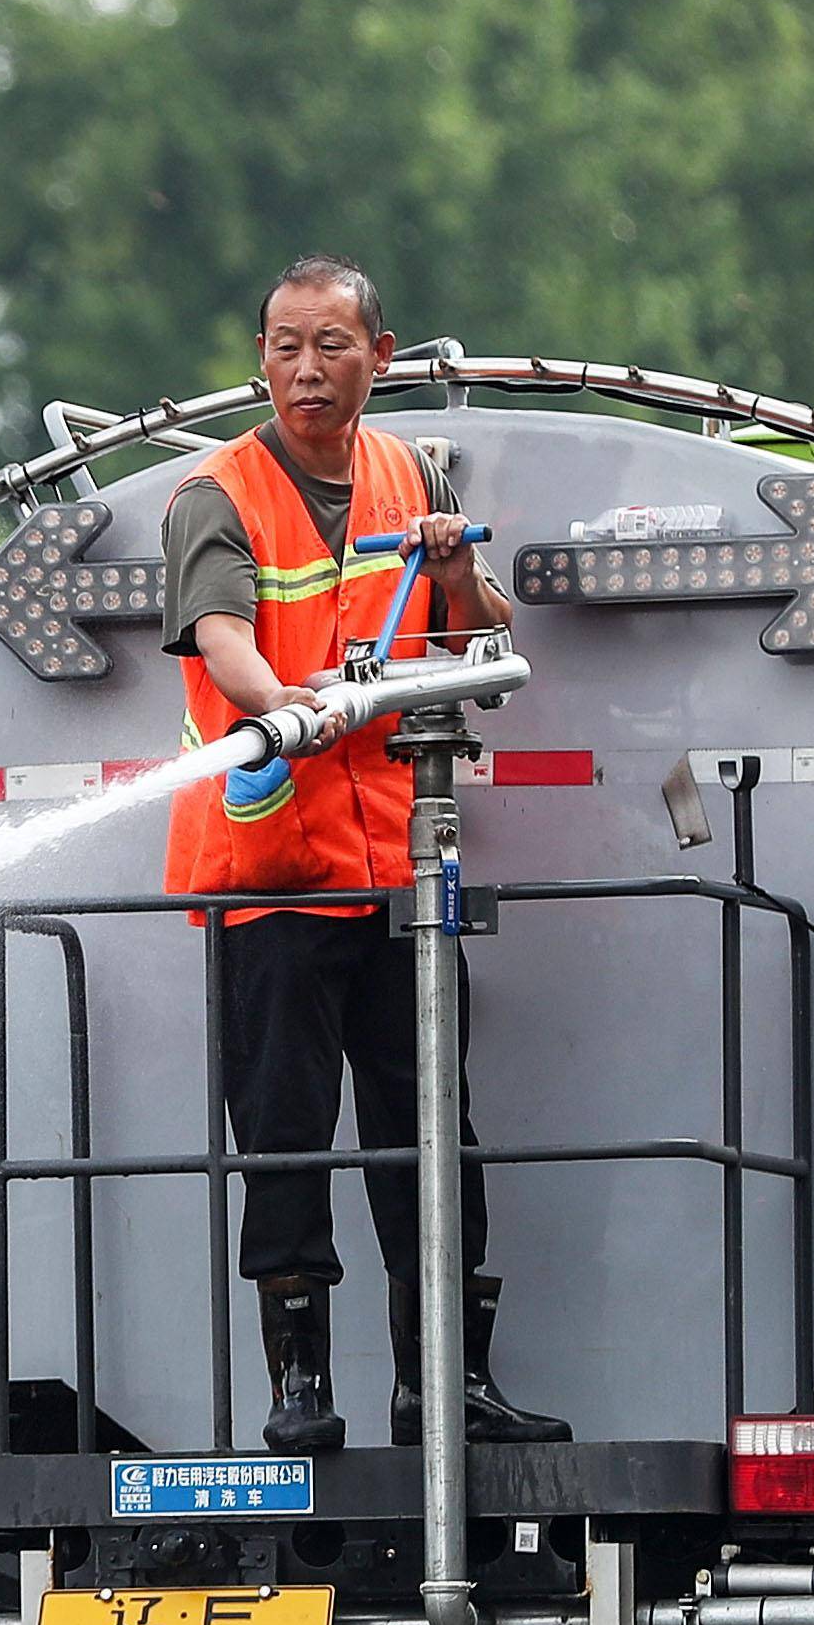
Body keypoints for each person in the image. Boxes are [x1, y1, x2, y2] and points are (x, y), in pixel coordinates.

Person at [162, 254, 567, 1455]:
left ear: (379, 357)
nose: (302, 368)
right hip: (272, 875)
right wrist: (287, 702)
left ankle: (442, 1385)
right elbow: (224, 641)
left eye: (328, 344)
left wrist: (447, 563)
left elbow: (475, 626)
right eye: (283, 344)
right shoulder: (215, 493)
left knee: (430, 1127)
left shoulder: (411, 472)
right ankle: (299, 1387)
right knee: (283, 1133)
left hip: (398, 875)